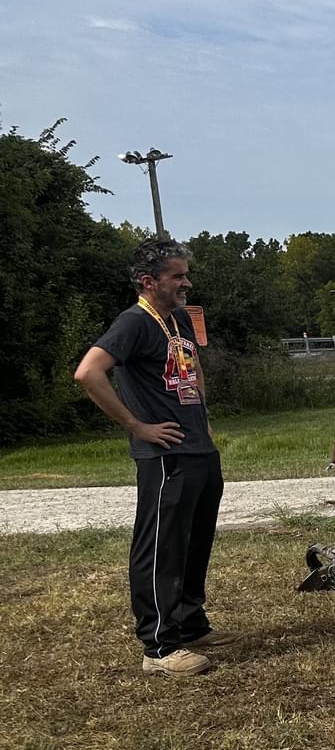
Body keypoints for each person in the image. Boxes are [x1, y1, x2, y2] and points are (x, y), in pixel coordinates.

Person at [73, 238, 233, 677]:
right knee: (161, 543)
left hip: (197, 445)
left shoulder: (178, 318)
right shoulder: (133, 322)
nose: (187, 282)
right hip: (164, 455)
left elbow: (191, 368)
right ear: (149, 281)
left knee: (195, 539)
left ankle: (190, 622)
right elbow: (88, 372)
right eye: (177, 276)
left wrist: (202, 414)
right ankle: (159, 646)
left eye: (185, 273)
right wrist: (137, 426)